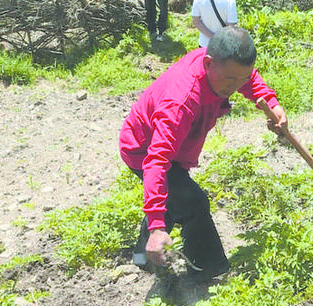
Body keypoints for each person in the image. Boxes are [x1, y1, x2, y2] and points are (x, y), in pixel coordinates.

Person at [119, 26, 288, 284]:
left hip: (177, 147)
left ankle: (144, 258)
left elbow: (249, 77)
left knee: (176, 196)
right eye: (230, 80)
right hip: (142, 148)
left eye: (239, 80)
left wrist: (271, 103)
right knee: (193, 201)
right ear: (208, 64)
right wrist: (155, 227)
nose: (236, 87)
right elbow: (156, 161)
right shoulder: (180, 103)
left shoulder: (220, 67)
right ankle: (206, 272)